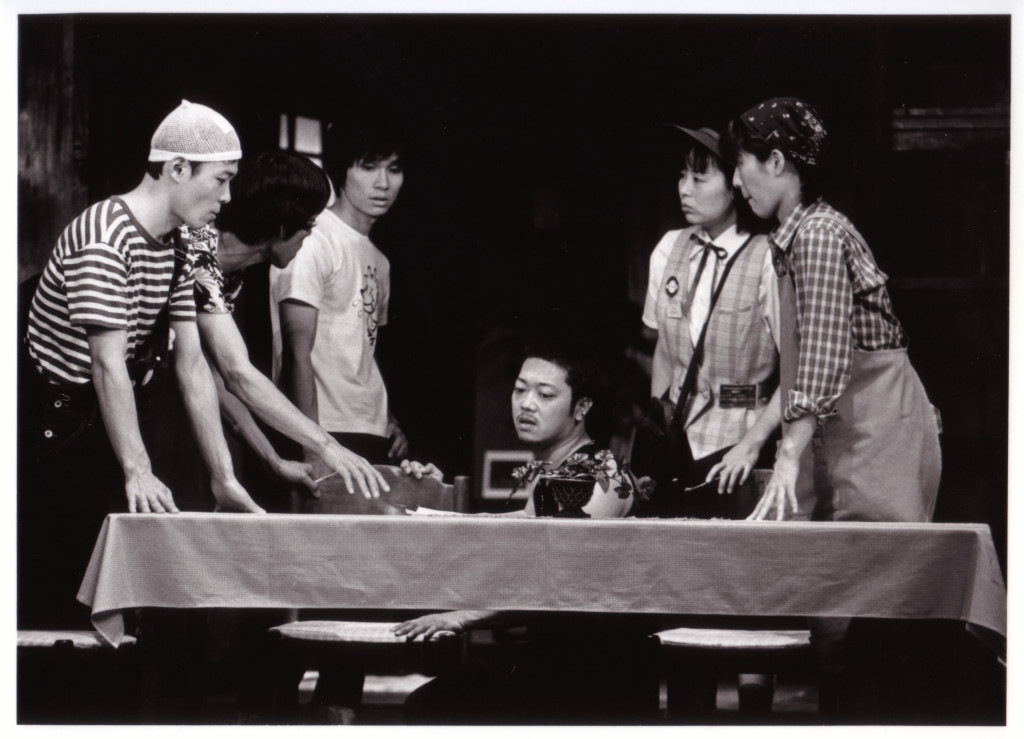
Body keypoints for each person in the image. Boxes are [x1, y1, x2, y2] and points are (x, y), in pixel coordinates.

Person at [721, 96, 942, 713]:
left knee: (871, 604)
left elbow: (821, 353)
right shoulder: (792, 237)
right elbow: (800, 367)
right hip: (838, 432)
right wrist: (770, 441)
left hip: (876, 434)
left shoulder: (818, 235)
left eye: (741, 164)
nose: (736, 181)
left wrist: (788, 453)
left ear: (776, 161)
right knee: (831, 605)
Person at [18, 100, 263, 628]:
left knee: (125, 600)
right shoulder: (105, 238)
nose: (227, 198)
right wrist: (138, 470)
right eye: (221, 180)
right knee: (66, 606)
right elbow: (107, 365)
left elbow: (192, 364)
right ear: (178, 168)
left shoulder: (180, 243)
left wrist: (223, 476)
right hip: (55, 427)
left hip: (109, 419)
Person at [391, 343, 654, 724]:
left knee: (434, 706)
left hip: (597, 672)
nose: (526, 404)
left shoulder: (601, 472)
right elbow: (507, 527)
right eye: (519, 390)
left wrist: (464, 617)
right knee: (436, 701)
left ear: (581, 407)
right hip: (557, 659)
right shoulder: (558, 471)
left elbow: (556, 579)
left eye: (545, 395)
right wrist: (426, 497)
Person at [187, 150, 388, 500]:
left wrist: (272, 460)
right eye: (308, 224)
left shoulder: (229, 275)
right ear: (280, 227)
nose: (310, 234)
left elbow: (215, 381)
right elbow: (237, 373)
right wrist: (325, 445)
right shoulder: (197, 252)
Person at [637, 124, 781, 518]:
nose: (685, 189)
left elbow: (797, 369)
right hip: (675, 438)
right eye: (682, 175)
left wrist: (752, 444)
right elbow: (664, 350)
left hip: (741, 440)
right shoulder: (669, 249)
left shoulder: (768, 258)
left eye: (699, 178)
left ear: (735, 184)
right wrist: (660, 422)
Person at [270, 114, 409, 472]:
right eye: (369, 167)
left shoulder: (380, 260)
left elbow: (362, 352)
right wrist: (312, 445)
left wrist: (387, 418)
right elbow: (295, 351)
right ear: (341, 170)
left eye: (393, 169)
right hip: (324, 429)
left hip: (370, 431)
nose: (383, 183)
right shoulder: (313, 238)